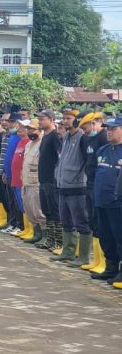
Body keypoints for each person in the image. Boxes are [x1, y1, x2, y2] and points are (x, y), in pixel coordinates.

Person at [52, 108, 92, 265]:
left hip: (77, 187)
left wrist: (78, 178)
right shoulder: (66, 137)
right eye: (64, 118)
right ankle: (68, 252)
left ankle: (83, 256)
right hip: (63, 186)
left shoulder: (82, 138)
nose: (64, 121)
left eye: (68, 118)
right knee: (66, 221)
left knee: (81, 222)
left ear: (77, 120)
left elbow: (87, 161)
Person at [91, 117, 122, 284]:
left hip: (117, 203)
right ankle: (111, 268)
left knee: (119, 237)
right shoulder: (102, 150)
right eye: (108, 128)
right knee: (105, 236)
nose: (109, 132)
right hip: (101, 200)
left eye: (114, 128)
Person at [81, 113, 109, 273]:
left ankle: (104, 262)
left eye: (85, 127)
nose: (85, 131)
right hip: (90, 183)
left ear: (93, 123)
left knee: (100, 223)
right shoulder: (89, 138)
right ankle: (97, 260)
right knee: (92, 221)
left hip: (100, 185)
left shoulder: (103, 138)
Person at [34, 109, 63, 252]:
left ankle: (59, 242)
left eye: (42, 119)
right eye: (39, 119)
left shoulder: (55, 136)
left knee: (55, 211)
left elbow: (60, 157)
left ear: (51, 120)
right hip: (43, 179)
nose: (39, 122)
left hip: (52, 180)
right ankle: (51, 240)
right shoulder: (45, 136)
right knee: (47, 211)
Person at [20, 120, 46, 245]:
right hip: (26, 181)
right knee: (29, 210)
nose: (30, 132)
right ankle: (36, 233)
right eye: (28, 129)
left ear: (40, 130)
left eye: (32, 129)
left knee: (38, 211)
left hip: (36, 182)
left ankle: (45, 235)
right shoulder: (28, 144)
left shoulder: (42, 144)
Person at [9, 119, 31, 240]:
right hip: (16, 178)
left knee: (26, 204)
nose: (19, 128)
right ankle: (26, 228)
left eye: (23, 127)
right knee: (19, 203)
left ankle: (29, 228)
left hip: (24, 180)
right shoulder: (20, 142)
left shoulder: (29, 142)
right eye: (19, 126)